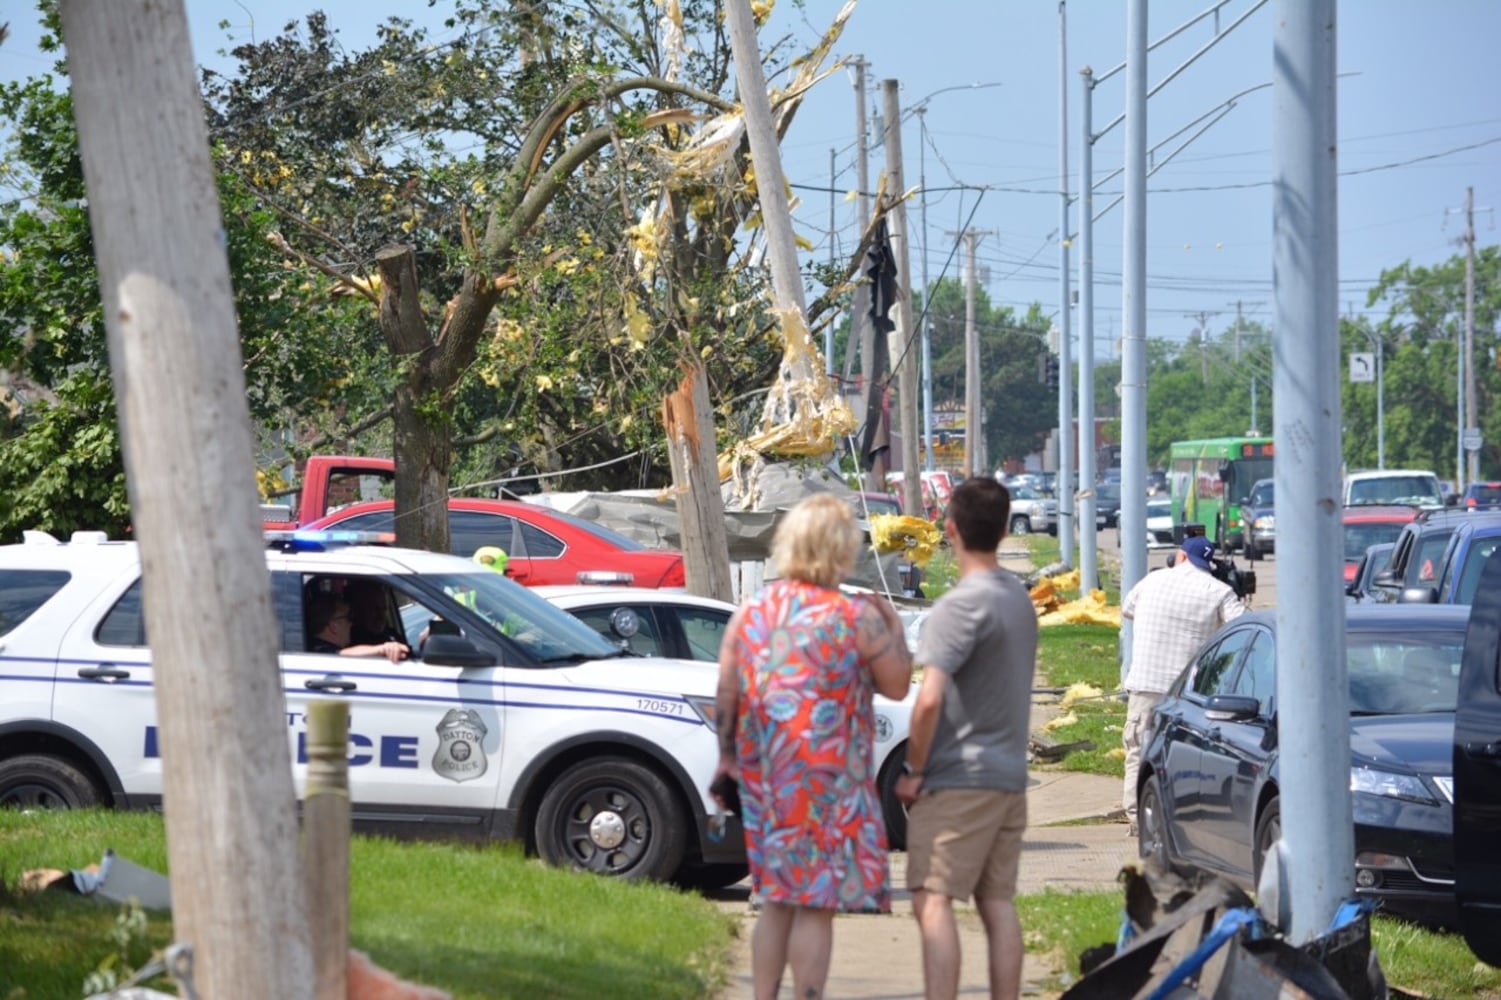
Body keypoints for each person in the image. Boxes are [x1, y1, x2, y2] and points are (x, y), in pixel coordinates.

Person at [711, 493, 913, 1000]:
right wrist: (892, 625)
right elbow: (897, 686)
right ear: (841, 551)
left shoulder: (751, 613)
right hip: (832, 778)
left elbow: (727, 696)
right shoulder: (856, 616)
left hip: (769, 777)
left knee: (777, 898)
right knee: (815, 903)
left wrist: (727, 761)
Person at [894, 477, 1037, 1000]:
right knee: (997, 903)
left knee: (931, 897)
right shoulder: (1018, 599)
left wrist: (912, 770)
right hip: (1008, 779)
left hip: (958, 780)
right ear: (1003, 530)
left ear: (949, 529)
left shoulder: (958, 606)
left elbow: (929, 698)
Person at [1119, 534, 1246, 836]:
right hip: (1188, 694)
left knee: (1138, 751)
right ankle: (1182, 820)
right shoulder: (1219, 591)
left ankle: (1139, 819)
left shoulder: (1152, 581)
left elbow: (1128, 609)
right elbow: (1241, 626)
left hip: (1146, 685)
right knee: (1184, 757)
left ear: (1180, 556)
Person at [307, 595, 410, 663]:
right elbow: (341, 655)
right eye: (348, 618)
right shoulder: (319, 651)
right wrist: (383, 649)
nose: (352, 624)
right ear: (334, 626)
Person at [344, 579, 407, 646]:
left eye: (384, 609)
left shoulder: (391, 634)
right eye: (375, 609)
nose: (381, 615)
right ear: (359, 610)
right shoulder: (353, 643)